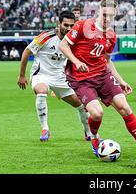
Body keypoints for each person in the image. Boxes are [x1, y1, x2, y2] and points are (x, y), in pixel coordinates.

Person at [59, 0, 136, 160]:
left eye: (112, 16)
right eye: (105, 15)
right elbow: (63, 46)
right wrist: (76, 61)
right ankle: (94, 136)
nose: (108, 19)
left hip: (102, 75)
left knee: (124, 107)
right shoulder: (82, 26)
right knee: (97, 113)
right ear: (99, 11)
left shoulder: (111, 35)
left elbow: (107, 61)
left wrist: (121, 80)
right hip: (82, 79)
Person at [17, 11, 91, 142]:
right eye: (65, 25)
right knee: (41, 91)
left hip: (60, 77)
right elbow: (27, 52)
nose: (68, 28)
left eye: (71, 25)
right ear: (58, 24)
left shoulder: (74, 40)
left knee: (80, 104)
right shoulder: (45, 36)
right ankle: (45, 129)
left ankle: (88, 132)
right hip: (41, 74)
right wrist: (22, 75)